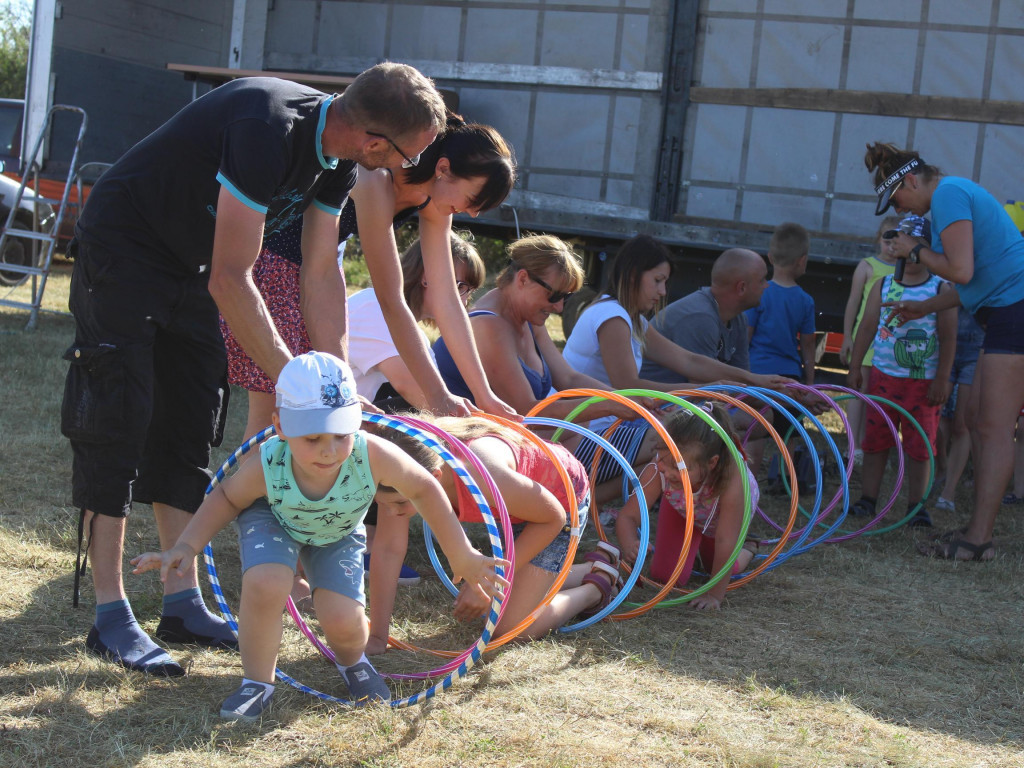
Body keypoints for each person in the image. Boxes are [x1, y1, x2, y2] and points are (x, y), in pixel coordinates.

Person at [60, 64, 448, 676]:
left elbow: (320, 273)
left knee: (189, 423)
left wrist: (334, 379)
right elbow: (232, 277)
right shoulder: (265, 128)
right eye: (410, 155)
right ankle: (111, 613)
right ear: (376, 141)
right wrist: (295, 383)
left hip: (191, 265)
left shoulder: (339, 158)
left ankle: (181, 603)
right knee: (118, 419)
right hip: (125, 248)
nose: (409, 168)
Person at [131, 353, 509, 720]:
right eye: (312, 438)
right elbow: (227, 497)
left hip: (337, 530)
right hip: (273, 518)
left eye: (341, 435)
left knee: (343, 618)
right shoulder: (270, 462)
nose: (328, 451)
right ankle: (257, 681)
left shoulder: (372, 454)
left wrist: (461, 553)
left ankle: (353, 662)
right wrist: (187, 545)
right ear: (281, 427)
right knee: (266, 582)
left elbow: (425, 487)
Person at [222, 116, 519, 446]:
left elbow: (447, 299)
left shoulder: (435, 201)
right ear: (444, 169)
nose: (473, 213)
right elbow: (390, 299)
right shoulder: (377, 178)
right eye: (475, 199)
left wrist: (485, 395)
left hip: (322, 275)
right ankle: (243, 480)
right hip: (277, 264)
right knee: (278, 418)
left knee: (317, 423)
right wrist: (438, 396)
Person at [866, 141, 1024, 560]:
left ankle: (978, 541)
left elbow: (961, 271)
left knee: (993, 427)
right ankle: (977, 530)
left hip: (1016, 310)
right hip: (1007, 309)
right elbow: (979, 280)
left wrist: (914, 250)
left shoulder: (949, 194)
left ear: (911, 181)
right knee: (978, 420)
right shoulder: (951, 195)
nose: (900, 209)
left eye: (896, 199)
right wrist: (924, 307)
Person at [368, 414, 620, 649]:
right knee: (512, 599)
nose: (391, 512)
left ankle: (595, 590)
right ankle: (591, 568)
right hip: (516, 507)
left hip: (559, 501)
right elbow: (388, 550)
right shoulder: (395, 473)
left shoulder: (480, 474)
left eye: (400, 502)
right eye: (381, 503)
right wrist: (378, 636)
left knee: (509, 628)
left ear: (433, 477)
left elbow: (553, 518)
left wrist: (489, 581)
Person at [432, 234, 655, 490]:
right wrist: (609, 405)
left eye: (566, 298)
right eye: (554, 295)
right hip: (463, 450)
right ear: (523, 279)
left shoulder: (526, 315)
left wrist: (625, 398)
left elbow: (569, 378)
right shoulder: (488, 326)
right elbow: (527, 412)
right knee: (585, 420)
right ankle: (560, 497)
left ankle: (567, 497)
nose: (559, 307)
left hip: (499, 439)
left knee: (584, 419)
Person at [562, 235, 788, 409]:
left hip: (602, 422)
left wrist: (754, 379)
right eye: (657, 280)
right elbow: (629, 387)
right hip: (586, 430)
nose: (662, 291)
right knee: (697, 436)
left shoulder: (632, 319)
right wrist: (701, 390)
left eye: (665, 283)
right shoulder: (613, 317)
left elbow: (688, 360)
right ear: (633, 275)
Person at [847, 241, 955, 528]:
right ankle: (867, 499)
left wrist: (942, 379)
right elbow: (868, 326)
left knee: (920, 446)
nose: (911, 256)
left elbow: (948, 337)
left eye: (918, 250)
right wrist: (855, 367)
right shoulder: (883, 285)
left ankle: (916, 507)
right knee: (876, 440)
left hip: (923, 384)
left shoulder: (940, 289)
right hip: (884, 378)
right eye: (906, 249)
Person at [614, 404, 758, 611]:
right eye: (664, 460)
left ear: (711, 463)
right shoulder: (659, 469)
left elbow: (725, 541)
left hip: (719, 519)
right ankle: (691, 547)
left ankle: (748, 548)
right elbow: (628, 516)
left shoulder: (733, 479)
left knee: (721, 566)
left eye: (679, 467)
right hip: (680, 507)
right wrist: (629, 543)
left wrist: (714, 594)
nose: (669, 473)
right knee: (664, 575)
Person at [743, 223, 816, 478]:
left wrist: (741, 370)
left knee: (755, 428)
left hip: (757, 373)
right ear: (802, 261)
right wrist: (809, 382)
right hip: (789, 377)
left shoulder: (760, 294)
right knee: (789, 430)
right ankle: (787, 480)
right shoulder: (805, 300)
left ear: (770, 258)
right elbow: (808, 345)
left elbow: (746, 335)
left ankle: (749, 479)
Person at [638, 247, 768, 383]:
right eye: (762, 280)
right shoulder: (699, 318)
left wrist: (771, 388)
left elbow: (742, 384)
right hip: (653, 396)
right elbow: (704, 386)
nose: (766, 285)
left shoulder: (738, 319)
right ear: (741, 287)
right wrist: (757, 384)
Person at [839, 215, 901, 464]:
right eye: (887, 241)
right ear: (878, 239)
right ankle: (852, 445)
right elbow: (853, 302)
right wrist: (847, 336)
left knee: (877, 392)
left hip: (890, 340)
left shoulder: (904, 270)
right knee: (859, 390)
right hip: (866, 337)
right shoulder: (867, 266)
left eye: (897, 242)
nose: (892, 247)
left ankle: (868, 443)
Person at [933, 308, 984, 512]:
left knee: (962, 426)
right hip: (947, 343)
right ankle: (942, 467)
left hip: (976, 348)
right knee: (934, 418)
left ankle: (948, 492)